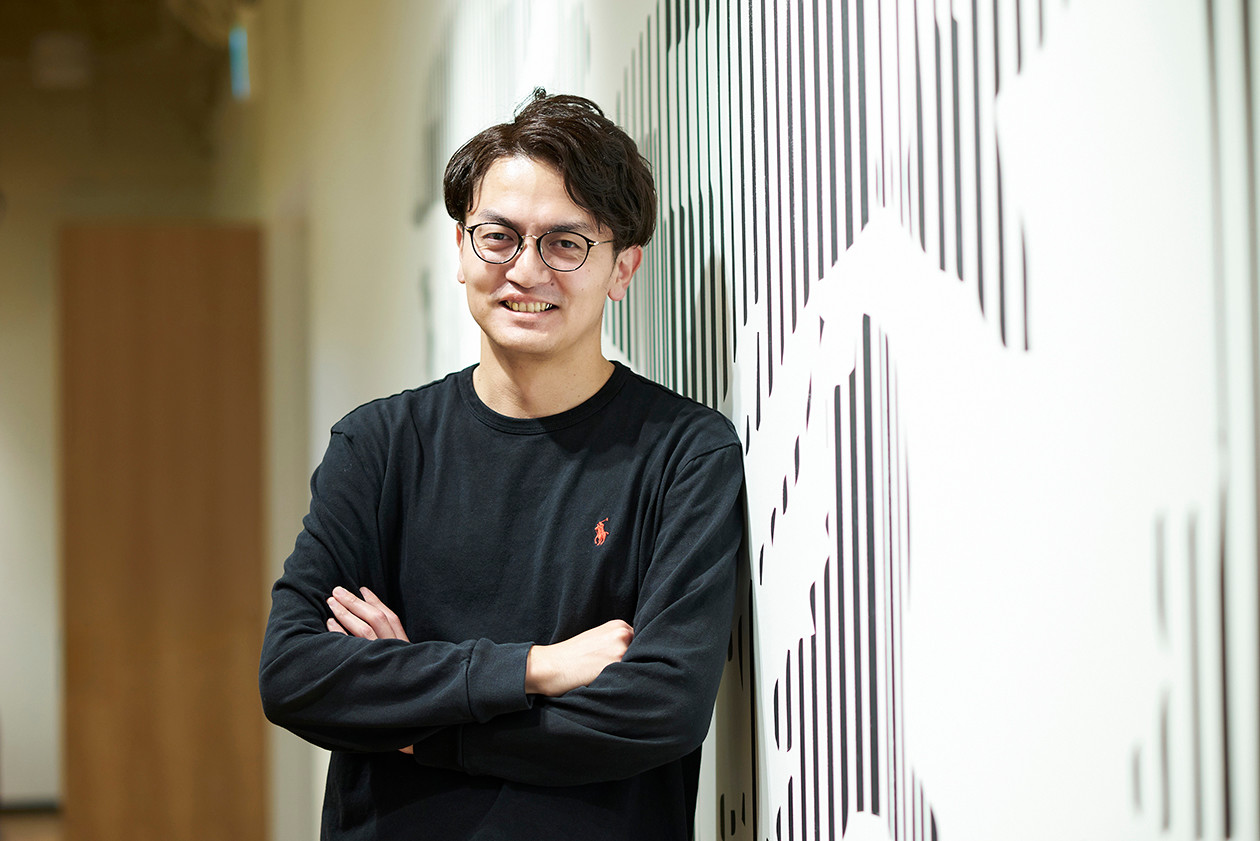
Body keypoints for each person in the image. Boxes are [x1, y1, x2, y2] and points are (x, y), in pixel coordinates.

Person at [259, 89, 745, 841]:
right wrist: (533, 668)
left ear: (622, 268)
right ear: (461, 249)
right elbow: (296, 673)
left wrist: (419, 724)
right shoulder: (378, 446)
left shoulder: (685, 454)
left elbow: (659, 708)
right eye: (498, 237)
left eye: (565, 243)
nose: (525, 270)